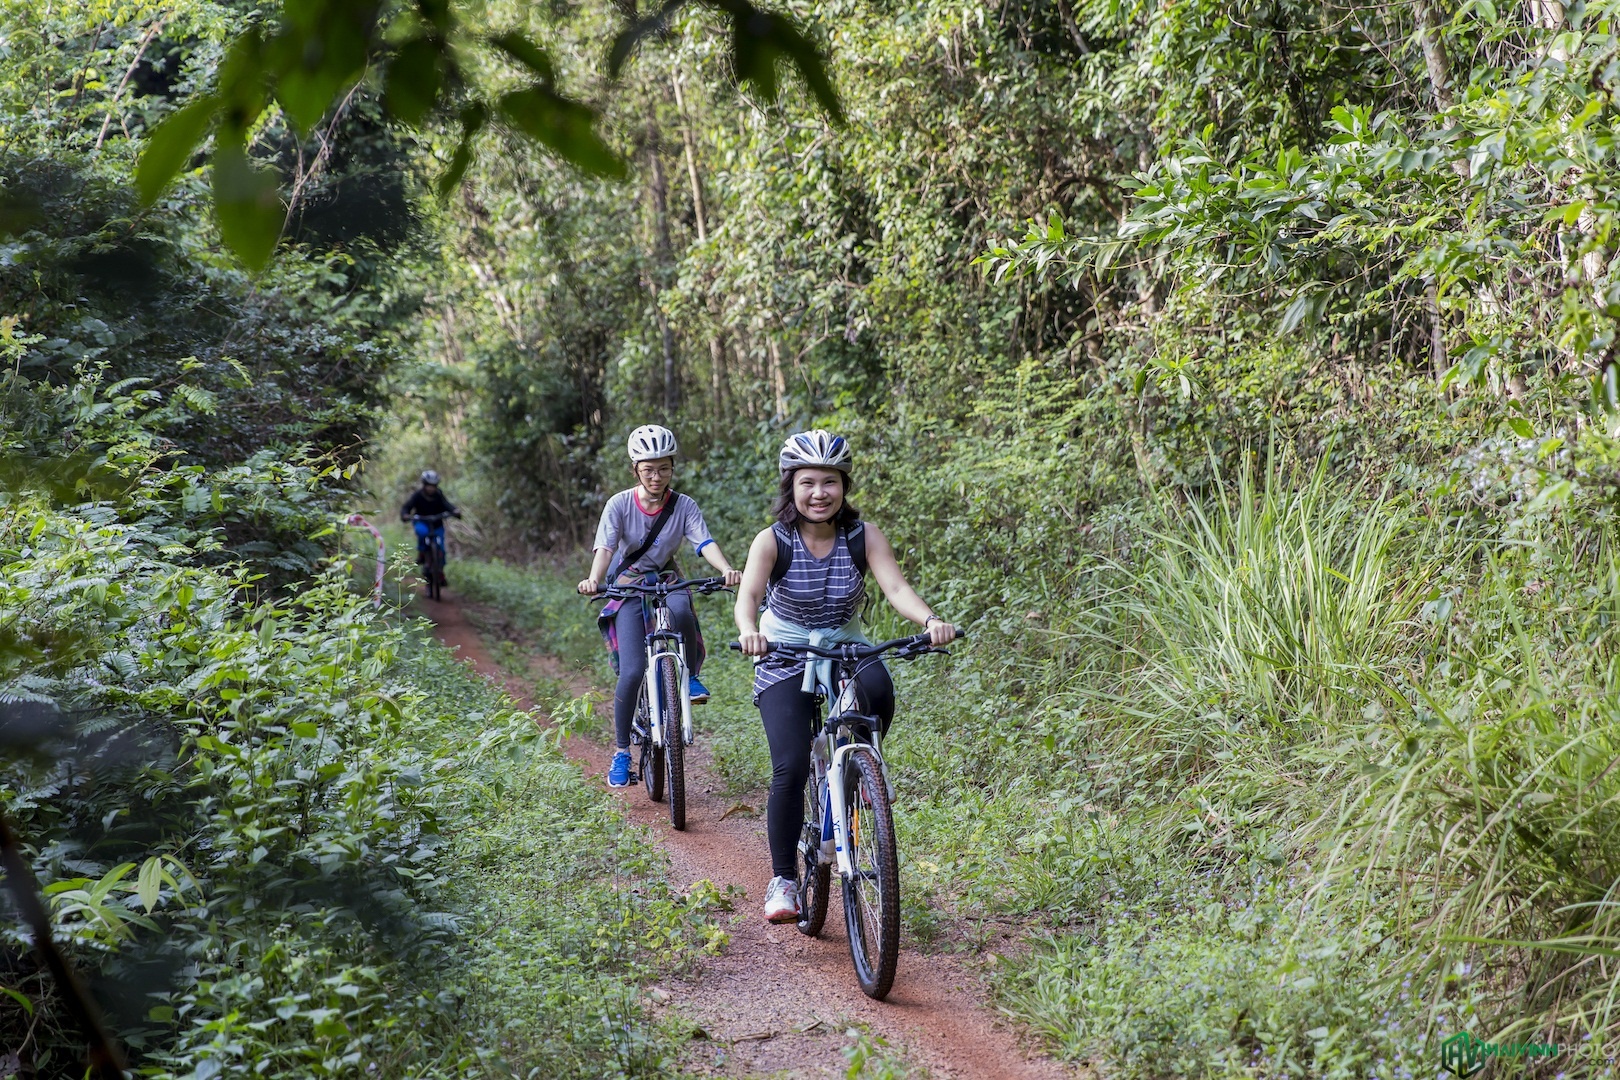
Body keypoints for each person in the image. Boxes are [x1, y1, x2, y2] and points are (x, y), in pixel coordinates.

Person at [734, 430, 956, 924]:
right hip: (784, 649)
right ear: (790, 487)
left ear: (844, 486)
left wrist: (929, 621)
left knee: (877, 688)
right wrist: (750, 631)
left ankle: (861, 770)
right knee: (790, 765)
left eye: (829, 482)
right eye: (807, 482)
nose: (819, 493)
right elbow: (747, 597)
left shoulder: (863, 536)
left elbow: (896, 587)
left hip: (845, 641)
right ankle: (784, 879)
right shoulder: (772, 540)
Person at [578, 425, 743, 788]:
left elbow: (704, 542)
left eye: (664, 468)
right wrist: (594, 578)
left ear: (672, 467)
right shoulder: (620, 504)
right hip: (629, 583)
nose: (656, 476)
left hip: (667, 578)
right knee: (633, 671)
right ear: (635, 468)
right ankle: (622, 752)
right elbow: (604, 547)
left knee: (683, 612)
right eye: (648, 469)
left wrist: (726, 568)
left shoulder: (684, 506)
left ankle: (690, 676)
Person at [399, 470, 462, 582]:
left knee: (441, 549)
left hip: (437, 523)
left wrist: (455, 511)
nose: (431, 488)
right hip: (422, 521)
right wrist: (405, 514)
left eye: (433, 486)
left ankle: (440, 572)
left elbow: (447, 505)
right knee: (422, 533)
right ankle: (422, 554)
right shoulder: (417, 495)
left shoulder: (439, 494)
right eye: (428, 486)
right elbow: (407, 507)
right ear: (424, 485)